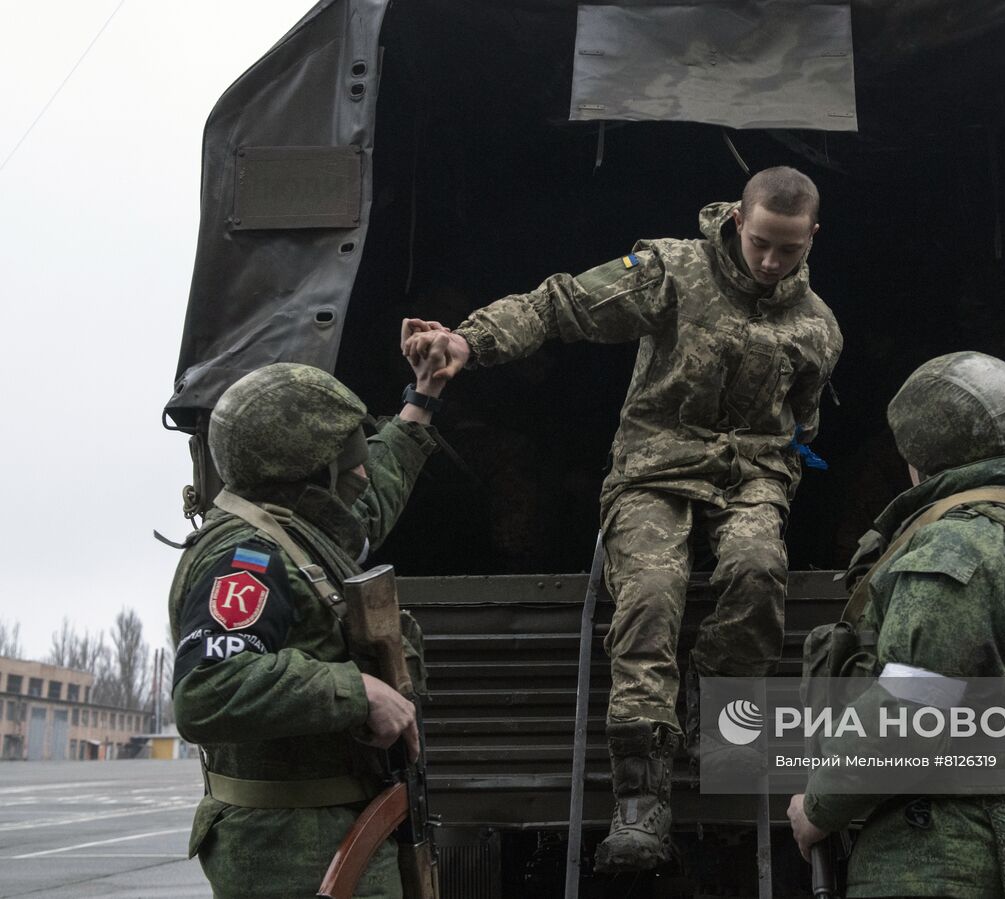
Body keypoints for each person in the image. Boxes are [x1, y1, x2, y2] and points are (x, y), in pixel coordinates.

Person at [403, 166, 842, 871]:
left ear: (811, 238)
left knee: (760, 572)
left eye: (787, 250)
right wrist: (468, 342)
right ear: (738, 219)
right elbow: (562, 304)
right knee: (647, 600)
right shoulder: (672, 271)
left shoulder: (817, 326)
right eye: (760, 242)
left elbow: (804, 424)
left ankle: (715, 705)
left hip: (751, 476)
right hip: (654, 470)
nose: (769, 261)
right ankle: (641, 798)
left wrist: (776, 471)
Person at [787, 351, 1005, 898]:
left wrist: (819, 807)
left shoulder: (963, 541)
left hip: (944, 851)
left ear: (923, 449)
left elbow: (910, 708)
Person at [167, 329, 455, 899]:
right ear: (304, 467)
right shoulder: (247, 558)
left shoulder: (299, 529)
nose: (364, 471)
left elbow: (369, 502)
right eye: (347, 458)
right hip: (294, 854)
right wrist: (360, 692)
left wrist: (423, 396)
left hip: (331, 836)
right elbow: (209, 687)